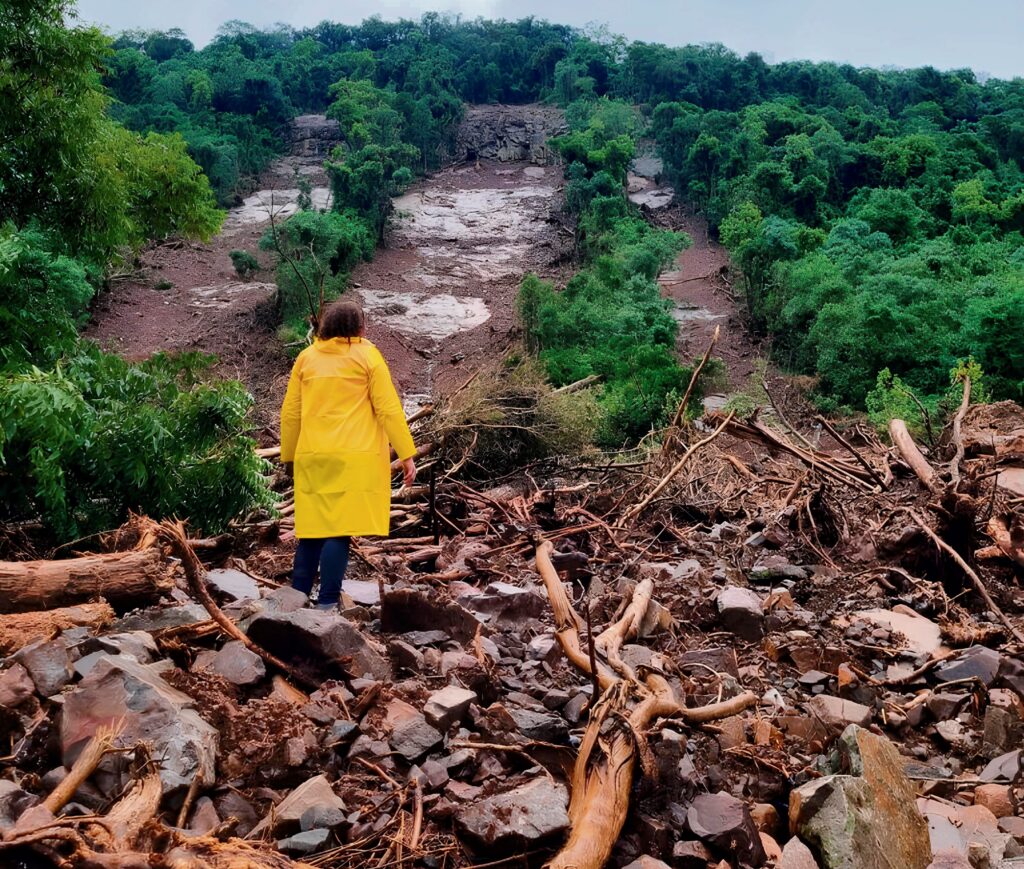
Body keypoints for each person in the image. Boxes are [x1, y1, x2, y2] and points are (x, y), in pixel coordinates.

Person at [280, 300, 417, 609]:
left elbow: (290, 413)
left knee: (312, 529)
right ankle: (327, 603)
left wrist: (288, 456)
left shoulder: (306, 358)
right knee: (338, 530)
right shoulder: (367, 356)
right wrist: (407, 454)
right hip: (354, 458)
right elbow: (388, 408)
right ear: (358, 327)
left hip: (313, 455)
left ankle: (294, 599)